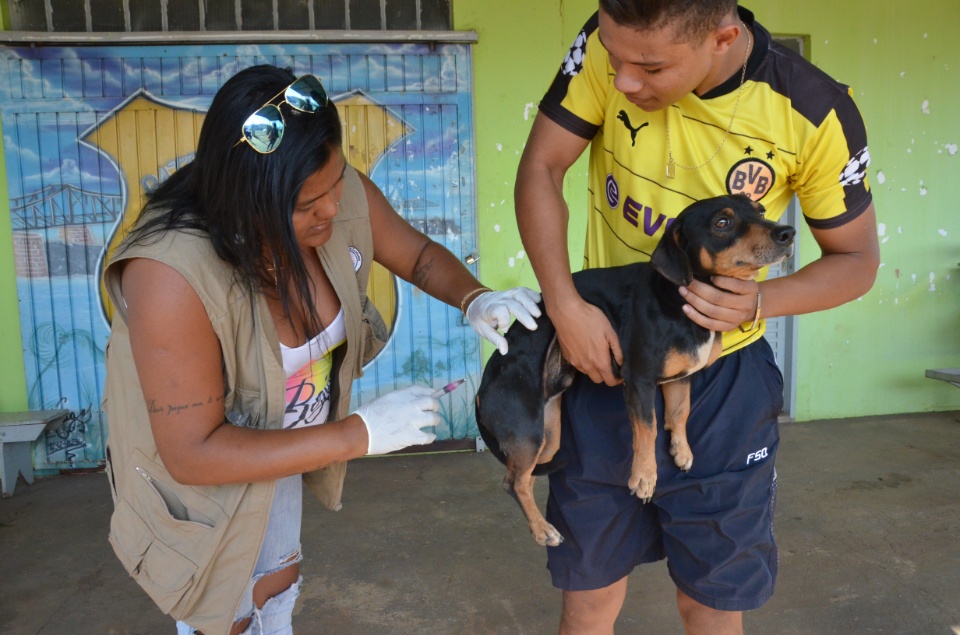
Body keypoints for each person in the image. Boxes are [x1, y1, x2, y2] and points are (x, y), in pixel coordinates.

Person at [102, 64, 540, 635]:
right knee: (221, 613)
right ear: (249, 201)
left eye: (336, 184)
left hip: (280, 448)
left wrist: (475, 298)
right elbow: (193, 452)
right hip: (204, 478)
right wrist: (361, 433)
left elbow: (417, 254)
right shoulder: (169, 275)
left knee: (276, 594)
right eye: (309, 203)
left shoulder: (334, 194)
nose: (333, 211)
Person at [515, 2, 880, 633]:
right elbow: (541, 168)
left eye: (651, 67)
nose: (624, 80)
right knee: (590, 592)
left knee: (710, 598)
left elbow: (857, 260)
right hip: (607, 362)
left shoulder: (815, 109)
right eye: (616, 58)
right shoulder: (610, 45)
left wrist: (762, 300)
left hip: (727, 380)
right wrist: (564, 303)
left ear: (724, 37)